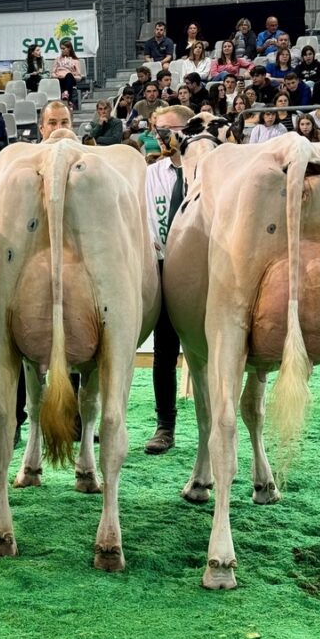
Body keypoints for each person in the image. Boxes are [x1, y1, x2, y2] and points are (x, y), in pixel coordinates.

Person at [144, 104, 194, 454]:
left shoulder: (206, 170)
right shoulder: (150, 174)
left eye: (167, 130)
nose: (160, 136)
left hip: (201, 269)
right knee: (164, 352)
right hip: (162, 266)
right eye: (157, 130)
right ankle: (166, 426)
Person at [51, 40, 83, 107]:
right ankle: (69, 100)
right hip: (59, 80)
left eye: (63, 48)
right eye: (61, 49)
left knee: (69, 75)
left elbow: (79, 77)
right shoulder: (57, 60)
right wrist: (57, 76)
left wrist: (71, 75)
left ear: (69, 48)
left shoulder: (75, 61)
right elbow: (53, 73)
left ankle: (66, 93)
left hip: (70, 79)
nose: (62, 50)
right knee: (65, 78)